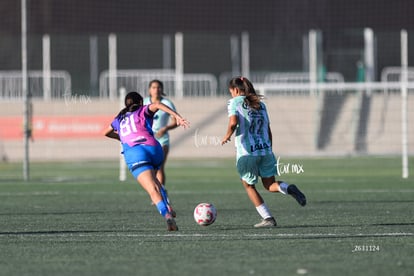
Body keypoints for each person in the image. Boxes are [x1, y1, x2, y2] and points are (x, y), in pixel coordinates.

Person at [221, 77, 306, 228]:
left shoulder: (234, 102)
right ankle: (288, 188)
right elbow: (268, 130)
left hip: (247, 152)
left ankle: (268, 218)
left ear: (235, 90)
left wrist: (227, 135)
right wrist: (269, 150)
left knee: (249, 186)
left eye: (231, 92)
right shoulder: (261, 105)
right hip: (265, 150)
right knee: (270, 184)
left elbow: (233, 122)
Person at [104, 91, 189, 231]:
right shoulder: (143, 110)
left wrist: (123, 138)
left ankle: (167, 215)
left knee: (152, 189)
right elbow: (157, 104)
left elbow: (105, 132)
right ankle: (167, 204)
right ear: (141, 102)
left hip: (135, 153)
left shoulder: (118, 118)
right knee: (155, 181)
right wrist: (177, 117)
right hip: (154, 148)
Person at [143, 80, 177, 193]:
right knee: (150, 168)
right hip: (148, 139)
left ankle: (160, 192)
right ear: (149, 90)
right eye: (153, 87)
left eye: (158, 87)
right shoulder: (145, 102)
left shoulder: (167, 103)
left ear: (162, 90)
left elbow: (175, 121)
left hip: (162, 139)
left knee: (160, 166)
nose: (156, 90)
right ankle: (156, 191)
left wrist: (165, 128)